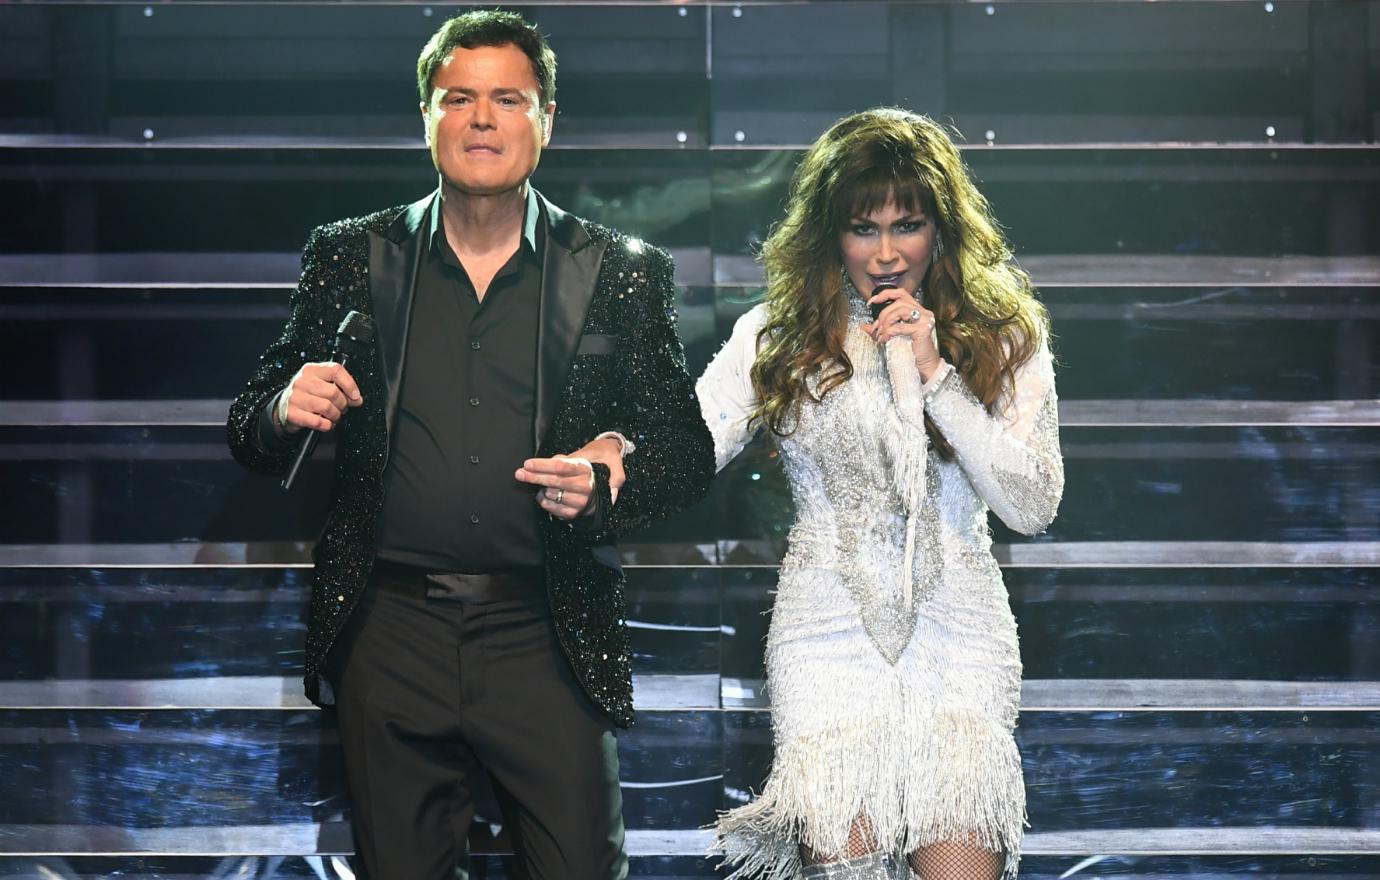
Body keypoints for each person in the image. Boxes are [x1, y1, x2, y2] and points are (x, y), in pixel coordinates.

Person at [225, 10, 715, 879]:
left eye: (508, 98)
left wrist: (607, 480)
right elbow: (252, 425)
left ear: (546, 117)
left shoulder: (618, 268)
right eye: (459, 97)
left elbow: (682, 447)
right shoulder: (350, 255)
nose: (483, 118)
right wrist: (281, 409)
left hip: (546, 631)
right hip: (391, 630)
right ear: (428, 115)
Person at [698, 108, 1064, 880]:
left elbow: (1033, 505)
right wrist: (610, 451)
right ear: (832, 233)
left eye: (909, 225)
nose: (888, 252)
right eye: (865, 228)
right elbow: (688, 442)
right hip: (825, 629)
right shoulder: (778, 335)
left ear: (942, 229)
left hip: (960, 629)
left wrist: (938, 378)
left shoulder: (1006, 333)